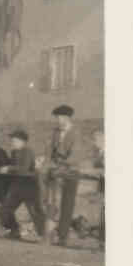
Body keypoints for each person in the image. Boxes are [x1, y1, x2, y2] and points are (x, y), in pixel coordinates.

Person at [0, 129, 47, 242]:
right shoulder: (14, 152)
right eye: (12, 140)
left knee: (35, 212)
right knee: (5, 209)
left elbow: (23, 169)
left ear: (23, 141)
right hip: (17, 185)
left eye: (15, 140)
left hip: (29, 185)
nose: (12, 142)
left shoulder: (27, 151)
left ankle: (44, 236)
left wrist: (8, 168)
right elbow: (14, 168)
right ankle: (14, 231)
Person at [45, 104, 80, 246]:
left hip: (71, 172)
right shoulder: (55, 132)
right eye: (56, 117)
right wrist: (47, 162)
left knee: (67, 204)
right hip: (56, 171)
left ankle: (63, 237)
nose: (58, 120)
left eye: (60, 117)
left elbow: (75, 156)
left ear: (67, 118)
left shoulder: (76, 133)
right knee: (52, 203)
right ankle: (49, 235)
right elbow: (49, 151)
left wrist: (60, 165)